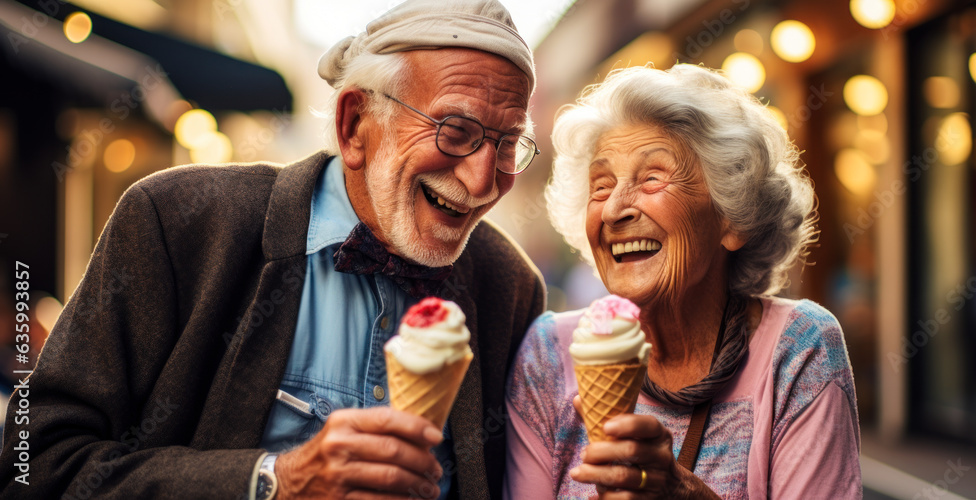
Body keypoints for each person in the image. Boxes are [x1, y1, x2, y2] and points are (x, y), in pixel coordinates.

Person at [0, 1, 546, 499]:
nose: (481, 181)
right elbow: (36, 466)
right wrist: (271, 481)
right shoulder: (177, 220)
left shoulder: (510, 287)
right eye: (454, 131)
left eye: (506, 144)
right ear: (356, 124)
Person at [504, 64, 861, 499]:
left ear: (733, 216)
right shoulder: (550, 353)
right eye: (601, 185)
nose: (616, 208)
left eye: (653, 177)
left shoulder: (797, 348)